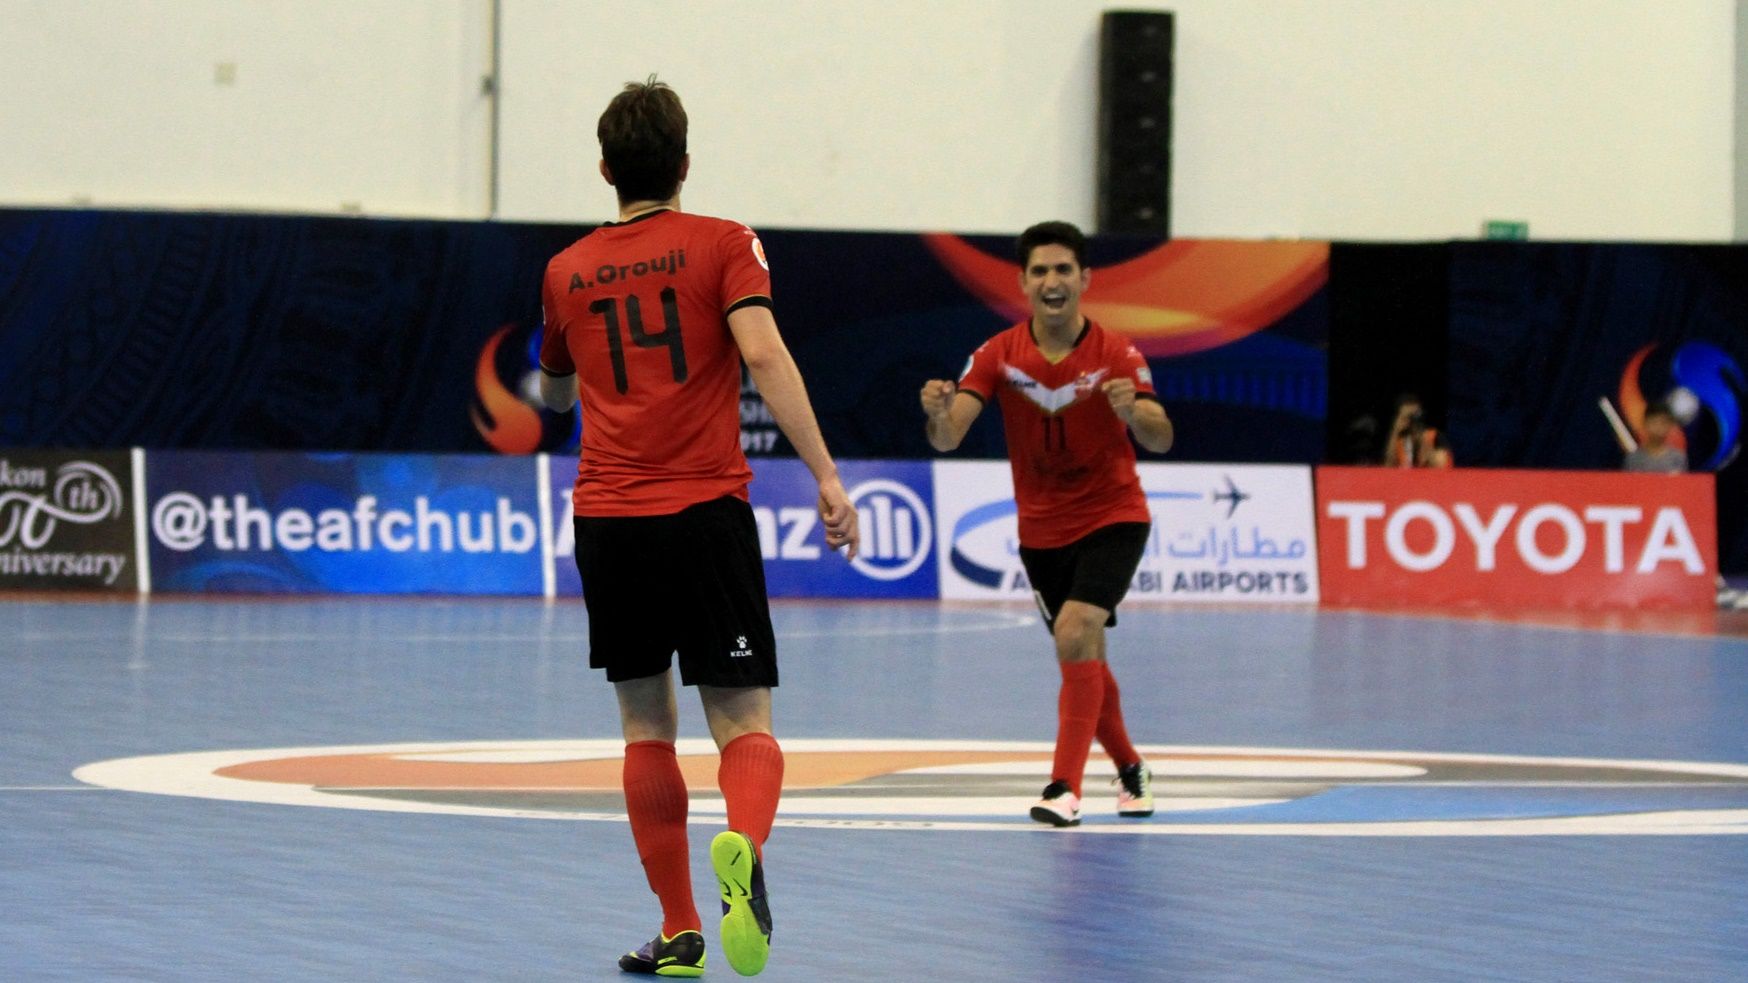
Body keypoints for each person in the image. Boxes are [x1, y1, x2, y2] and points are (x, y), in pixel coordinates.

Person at [538, 77, 858, 978]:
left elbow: (555, 387)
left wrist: (559, 385)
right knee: (743, 718)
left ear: (605, 168)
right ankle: (743, 847)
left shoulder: (564, 271)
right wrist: (828, 476)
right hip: (704, 511)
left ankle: (680, 929)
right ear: (684, 164)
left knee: (646, 723)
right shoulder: (723, 242)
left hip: (608, 518)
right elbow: (761, 351)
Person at [918, 220, 1174, 827]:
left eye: (1063, 270)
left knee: (1076, 627)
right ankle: (1132, 768)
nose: (1052, 281)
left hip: (1114, 515)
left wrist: (1134, 411)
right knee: (1081, 652)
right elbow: (949, 435)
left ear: (1084, 280)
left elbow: (1162, 438)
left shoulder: (1118, 352)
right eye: (1040, 271)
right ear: (1023, 283)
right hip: (1041, 533)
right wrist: (934, 413)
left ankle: (1064, 787)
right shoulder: (999, 354)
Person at [1381, 392, 1453, 468]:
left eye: (1415, 415)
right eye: (1408, 416)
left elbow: (1442, 466)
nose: (1412, 420)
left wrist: (1422, 440)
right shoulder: (1400, 439)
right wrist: (1396, 431)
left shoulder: (1433, 436)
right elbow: (1388, 466)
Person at [1624, 401, 1688, 473]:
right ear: (1645, 423)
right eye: (1654, 422)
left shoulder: (1678, 458)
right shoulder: (1633, 458)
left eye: (1662, 423)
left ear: (1670, 425)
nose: (1658, 427)